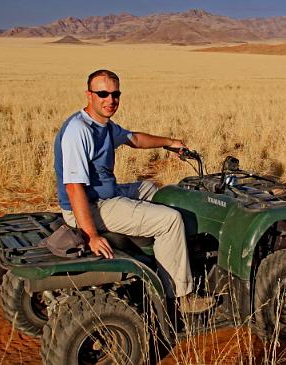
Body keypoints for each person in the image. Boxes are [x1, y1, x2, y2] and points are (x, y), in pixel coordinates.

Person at [53, 69, 213, 313]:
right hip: (90, 206)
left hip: (106, 194)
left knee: (151, 188)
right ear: (89, 95)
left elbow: (133, 139)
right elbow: (73, 188)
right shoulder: (79, 131)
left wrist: (170, 142)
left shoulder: (102, 125)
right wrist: (91, 235)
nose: (110, 100)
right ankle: (181, 297)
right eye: (103, 93)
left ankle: (162, 249)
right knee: (170, 220)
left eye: (115, 94)